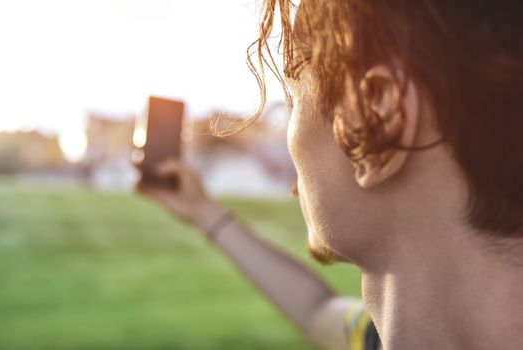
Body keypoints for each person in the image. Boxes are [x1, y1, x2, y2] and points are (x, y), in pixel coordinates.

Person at [138, 1, 523, 349]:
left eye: (294, 98)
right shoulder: (381, 336)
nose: (291, 150)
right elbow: (316, 309)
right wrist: (204, 212)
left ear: (377, 117)